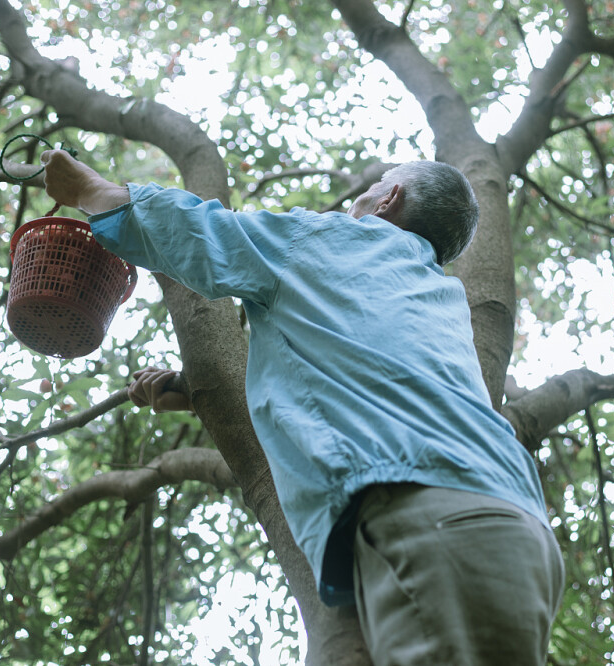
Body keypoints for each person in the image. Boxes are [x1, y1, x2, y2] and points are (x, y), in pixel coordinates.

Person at [41, 149, 564, 665]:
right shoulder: (434, 297)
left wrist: (91, 190)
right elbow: (350, 372)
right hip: (511, 531)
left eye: (374, 185)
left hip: (430, 520)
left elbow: (206, 235)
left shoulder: (336, 239)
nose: (356, 200)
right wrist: (192, 388)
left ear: (389, 199)